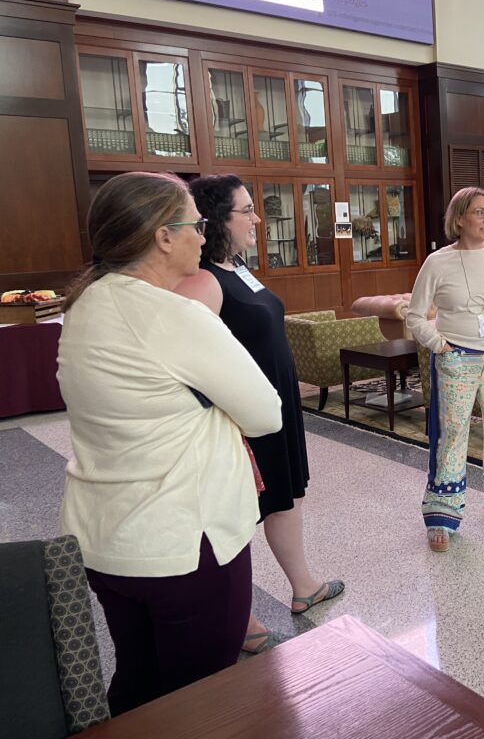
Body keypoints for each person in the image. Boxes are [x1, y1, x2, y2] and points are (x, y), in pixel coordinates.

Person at [57, 171, 283, 715]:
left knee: (138, 683)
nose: (204, 237)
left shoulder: (84, 304)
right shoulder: (172, 314)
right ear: (163, 236)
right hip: (183, 544)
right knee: (201, 700)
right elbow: (266, 413)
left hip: (108, 537)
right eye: (196, 225)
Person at [177, 174, 344, 653]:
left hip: (275, 407)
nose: (257, 218)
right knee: (239, 511)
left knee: (284, 497)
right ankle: (242, 620)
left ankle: (303, 586)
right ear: (215, 221)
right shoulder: (203, 280)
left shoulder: (238, 268)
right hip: (241, 417)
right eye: (246, 210)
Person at [406, 186, 484, 552]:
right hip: (456, 359)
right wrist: (441, 345)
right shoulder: (438, 262)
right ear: (459, 219)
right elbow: (415, 315)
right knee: (453, 435)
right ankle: (442, 514)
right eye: (479, 212)